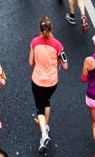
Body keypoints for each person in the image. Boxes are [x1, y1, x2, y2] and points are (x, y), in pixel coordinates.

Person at [29, 17, 67, 152]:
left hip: (38, 81)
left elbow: (30, 63)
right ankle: (45, 126)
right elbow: (65, 65)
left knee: (39, 108)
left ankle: (44, 135)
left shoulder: (34, 43)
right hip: (52, 82)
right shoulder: (58, 45)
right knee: (47, 102)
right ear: (51, 29)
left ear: (40, 29)